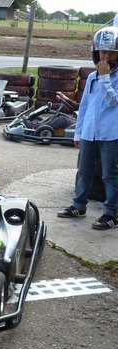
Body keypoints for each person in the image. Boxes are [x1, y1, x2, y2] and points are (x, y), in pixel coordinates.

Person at [57, 22, 118, 230]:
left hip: (111, 134)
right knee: (84, 171)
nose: (106, 56)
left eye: (111, 52)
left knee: (109, 174)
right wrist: (79, 132)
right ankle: (78, 205)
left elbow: (112, 102)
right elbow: (84, 107)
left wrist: (105, 78)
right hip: (89, 133)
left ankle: (112, 213)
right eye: (103, 51)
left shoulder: (106, 77)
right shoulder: (92, 77)